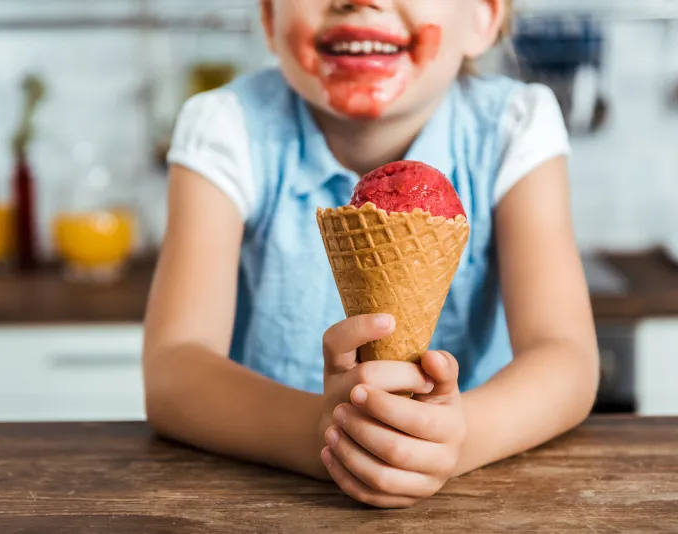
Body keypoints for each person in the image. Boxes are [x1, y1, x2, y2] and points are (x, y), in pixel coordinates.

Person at [144, 0, 599, 508]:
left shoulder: (513, 127)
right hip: (261, 502)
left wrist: (456, 437)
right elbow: (173, 372)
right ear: (270, 19)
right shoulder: (227, 127)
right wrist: (322, 432)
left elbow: (567, 359)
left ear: (482, 17)